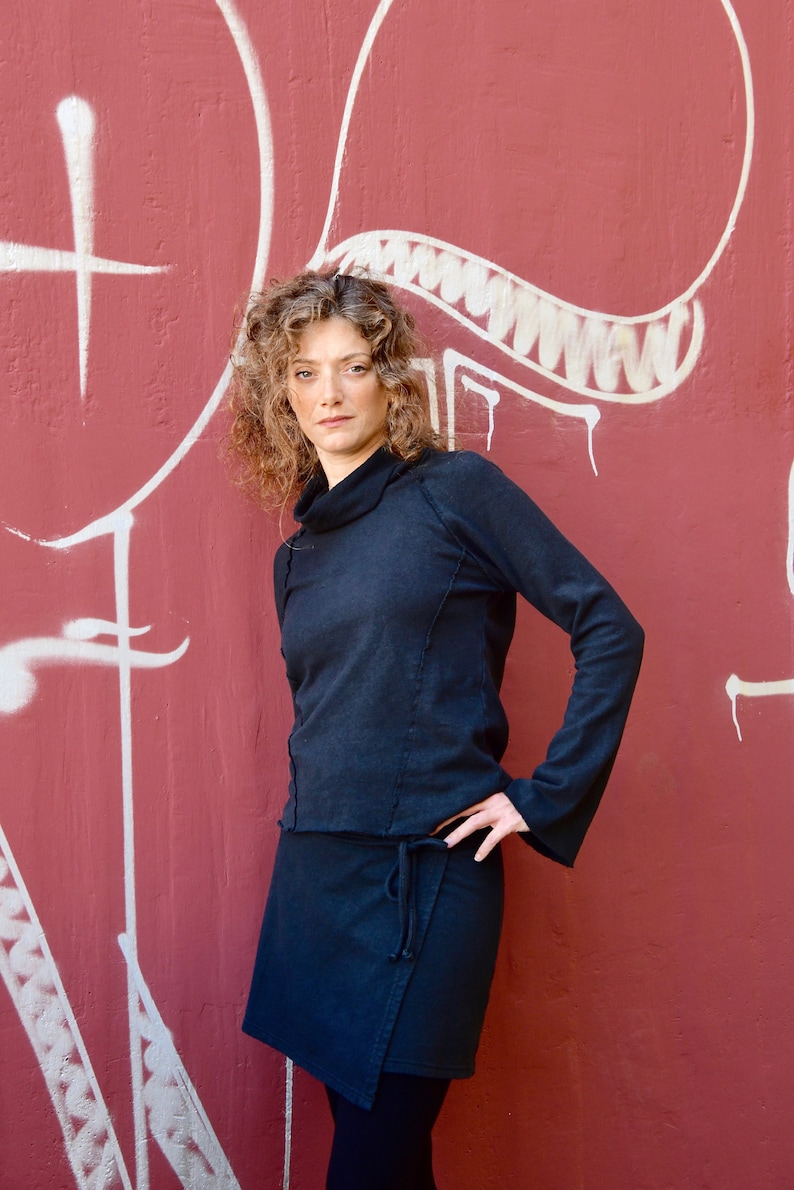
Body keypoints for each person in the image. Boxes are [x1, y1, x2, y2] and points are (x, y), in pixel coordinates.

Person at [227, 270, 644, 1189]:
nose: (329, 393)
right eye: (303, 372)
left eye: (353, 366)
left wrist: (543, 798)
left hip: (427, 872)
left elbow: (609, 627)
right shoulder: (296, 556)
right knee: (390, 1161)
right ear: (279, 393)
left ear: (393, 378)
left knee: (370, 1166)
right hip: (318, 877)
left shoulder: (458, 491)